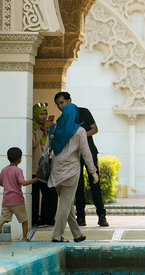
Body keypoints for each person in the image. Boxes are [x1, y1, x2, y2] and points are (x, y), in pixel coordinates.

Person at [54, 91, 109, 227]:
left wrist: (80, 137)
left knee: (95, 184)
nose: (60, 106)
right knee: (77, 186)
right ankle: (81, 217)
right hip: (74, 156)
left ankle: (102, 216)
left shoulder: (83, 112)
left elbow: (94, 129)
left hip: (89, 152)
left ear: (69, 100)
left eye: (62, 102)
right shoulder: (62, 119)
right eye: (58, 105)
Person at [46, 102, 99, 242]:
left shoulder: (54, 128)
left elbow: (47, 149)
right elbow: (86, 153)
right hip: (71, 172)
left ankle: (77, 234)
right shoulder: (80, 131)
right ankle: (56, 236)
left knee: (67, 203)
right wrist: (93, 171)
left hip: (56, 171)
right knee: (65, 204)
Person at [0, 147, 37, 245]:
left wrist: (7, 186)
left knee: (3, 218)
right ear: (20, 159)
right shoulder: (18, 171)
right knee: (24, 219)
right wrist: (36, 179)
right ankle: (25, 238)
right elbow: (23, 183)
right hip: (17, 200)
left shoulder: (4, 170)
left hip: (6, 199)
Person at [32, 103, 57, 226]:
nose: (43, 116)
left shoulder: (49, 127)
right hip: (35, 167)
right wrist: (41, 130)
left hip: (48, 166)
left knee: (50, 193)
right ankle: (35, 220)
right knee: (34, 196)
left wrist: (50, 130)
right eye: (41, 113)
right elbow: (32, 143)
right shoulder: (32, 127)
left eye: (45, 114)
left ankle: (48, 218)